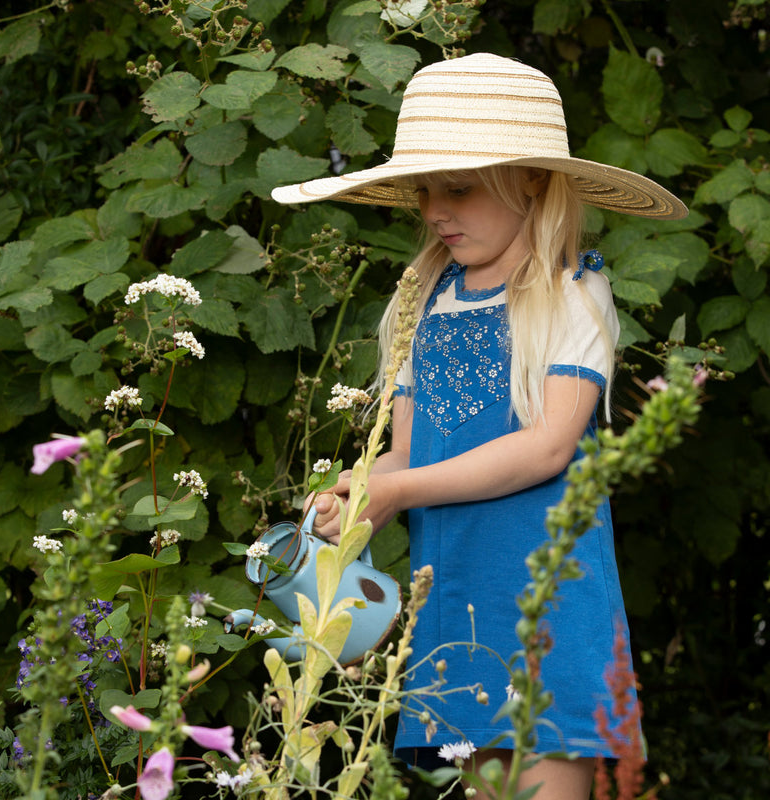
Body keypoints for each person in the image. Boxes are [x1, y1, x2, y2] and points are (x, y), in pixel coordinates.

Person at [272, 53, 686, 800]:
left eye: (458, 187)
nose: (435, 210)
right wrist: (354, 494)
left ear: (530, 180)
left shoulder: (573, 293)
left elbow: (547, 446)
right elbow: (402, 454)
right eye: (425, 189)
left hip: (547, 606)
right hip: (454, 606)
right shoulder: (421, 300)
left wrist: (397, 493)